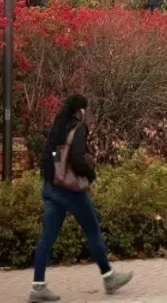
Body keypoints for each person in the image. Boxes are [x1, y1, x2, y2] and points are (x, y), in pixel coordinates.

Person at [29, 94, 133, 302]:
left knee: (46, 238)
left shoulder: (59, 127)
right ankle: (109, 277)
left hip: (51, 188)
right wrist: (90, 174)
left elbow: (54, 157)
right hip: (70, 192)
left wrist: (57, 176)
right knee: (93, 230)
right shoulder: (78, 128)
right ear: (81, 110)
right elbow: (76, 160)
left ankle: (38, 287)